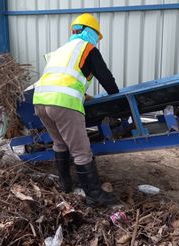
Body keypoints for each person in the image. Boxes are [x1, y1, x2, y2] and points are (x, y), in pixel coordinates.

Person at [33, 13, 120, 207]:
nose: (96, 40)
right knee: (81, 152)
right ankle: (94, 196)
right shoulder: (88, 49)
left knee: (60, 144)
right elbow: (106, 78)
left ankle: (66, 186)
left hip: (40, 101)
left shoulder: (61, 50)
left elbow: (61, 77)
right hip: (63, 103)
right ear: (92, 33)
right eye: (97, 36)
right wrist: (117, 101)